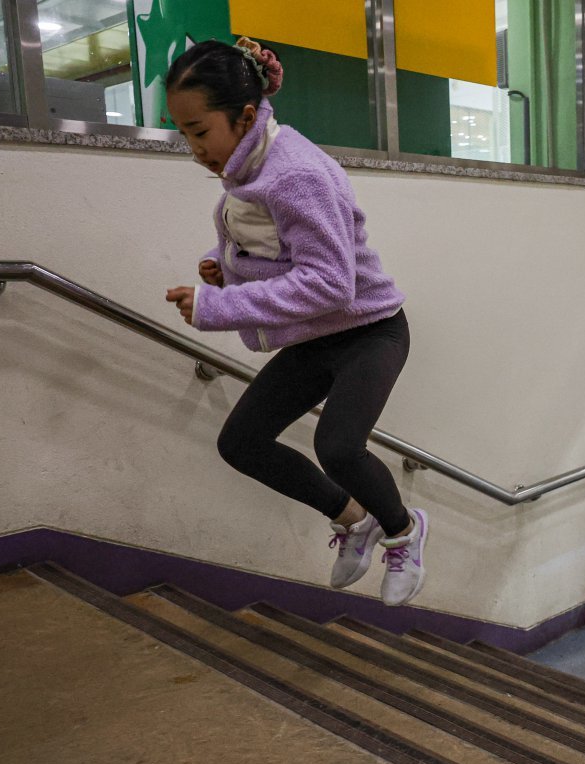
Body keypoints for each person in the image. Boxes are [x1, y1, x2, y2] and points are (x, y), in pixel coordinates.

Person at [162, 37, 427, 607]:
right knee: (242, 442)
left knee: (340, 447)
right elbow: (274, 247)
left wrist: (215, 308)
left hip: (369, 330)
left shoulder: (296, 173)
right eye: (182, 132)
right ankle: (355, 521)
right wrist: (228, 271)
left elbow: (333, 283)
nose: (193, 148)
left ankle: (404, 532)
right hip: (315, 334)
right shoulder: (247, 164)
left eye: (200, 130)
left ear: (246, 116)